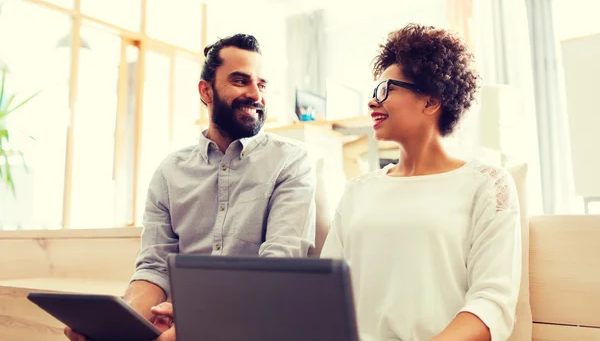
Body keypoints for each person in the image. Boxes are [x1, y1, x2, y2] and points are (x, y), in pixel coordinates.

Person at [65, 34, 316, 341]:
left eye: (261, 84)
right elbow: (155, 268)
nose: (256, 95)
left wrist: (198, 321)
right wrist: (119, 323)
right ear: (205, 90)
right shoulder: (170, 172)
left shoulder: (291, 161)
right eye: (240, 81)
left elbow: (278, 269)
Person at [321, 24, 522, 341]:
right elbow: (325, 295)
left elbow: (491, 305)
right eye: (374, 93)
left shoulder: (487, 183)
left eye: (386, 90)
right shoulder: (358, 190)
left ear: (431, 101)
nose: (373, 103)